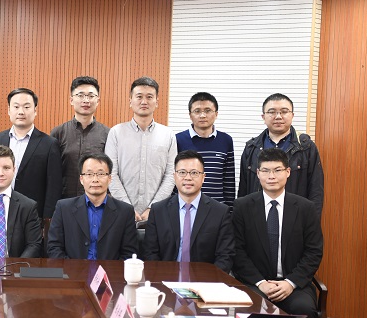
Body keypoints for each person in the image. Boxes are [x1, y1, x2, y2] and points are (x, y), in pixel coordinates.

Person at [232, 148, 323, 318]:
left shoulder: (305, 208)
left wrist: (290, 283)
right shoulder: (242, 206)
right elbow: (237, 251)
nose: (271, 176)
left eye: (277, 170)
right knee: (254, 306)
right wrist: (261, 283)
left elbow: (314, 252)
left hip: (294, 285)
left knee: (303, 309)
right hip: (255, 283)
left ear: (288, 172)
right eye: (265, 170)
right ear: (258, 173)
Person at [143, 151, 235, 272]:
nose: (188, 178)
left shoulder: (220, 212)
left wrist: (207, 280)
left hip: (205, 279)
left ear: (203, 177)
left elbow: (225, 256)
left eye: (194, 173)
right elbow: (150, 253)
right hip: (165, 277)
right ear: (174, 176)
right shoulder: (158, 211)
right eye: (182, 172)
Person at [238, 93, 324, 217]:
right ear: (263, 117)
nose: (278, 116)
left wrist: (311, 221)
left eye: (284, 111)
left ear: (292, 115)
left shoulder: (306, 147)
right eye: (272, 112)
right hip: (257, 217)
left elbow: (316, 190)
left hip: (295, 217)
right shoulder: (251, 148)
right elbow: (243, 189)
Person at [104, 77, 177, 222]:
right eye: (139, 97)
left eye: (149, 97)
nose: (144, 102)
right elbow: (110, 173)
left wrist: (153, 208)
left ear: (157, 101)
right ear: (130, 101)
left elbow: (171, 174)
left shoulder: (168, 135)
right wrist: (126, 207)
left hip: (158, 213)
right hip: (121, 212)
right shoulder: (116, 132)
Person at [47, 153, 138, 260]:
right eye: (89, 174)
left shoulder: (125, 211)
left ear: (109, 178)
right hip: (73, 269)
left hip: (110, 270)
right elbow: (54, 247)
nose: (95, 179)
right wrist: (73, 268)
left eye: (101, 174)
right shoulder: (63, 208)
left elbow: (129, 253)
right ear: (81, 179)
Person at [0, 88, 61, 219]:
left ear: (35, 110)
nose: (21, 112)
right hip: (0, 211)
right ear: (9, 110)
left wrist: (47, 220)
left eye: (27, 107)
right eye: (16, 107)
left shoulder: (49, 144)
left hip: (33, 215)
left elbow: (53, 187)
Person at [50, 76, 110, 198]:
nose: (86, 100)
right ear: (71, 100)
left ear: (98, 101)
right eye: (80, 95)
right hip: (65, 200)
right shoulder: (58, 133)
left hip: (96, 200)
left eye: (91, 96)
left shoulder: (108, 134)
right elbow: (52, 172)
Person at [175, 92, 235, 207]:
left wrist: (230, 210)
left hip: (217, 208)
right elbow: (174, 177)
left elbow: (228, 180)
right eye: (197, 111)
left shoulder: (226, 140)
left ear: (216, 114)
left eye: (208, 110)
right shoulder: (178, 140)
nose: (202, 115)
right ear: (190, 115)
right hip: (186, 207)